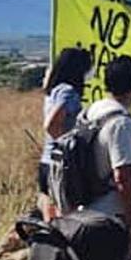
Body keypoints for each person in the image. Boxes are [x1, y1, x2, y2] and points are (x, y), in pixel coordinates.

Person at [80, 56, 131, 260]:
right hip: (113, 218)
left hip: (86, 211)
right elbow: (124, 177)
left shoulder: (92, 112)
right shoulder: (121, 124)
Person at [38, 47, 92, 220]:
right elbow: (52, 124)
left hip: (47, 160)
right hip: (62, 165)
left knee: (50, 216)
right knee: (65, 217)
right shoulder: (68, 93)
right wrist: (67, 147)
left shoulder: (54, 90)